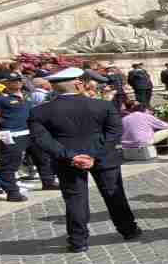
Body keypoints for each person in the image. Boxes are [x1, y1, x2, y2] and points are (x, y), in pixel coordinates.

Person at [29, 68, 141, 252]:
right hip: (102, 156)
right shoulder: (102, 106)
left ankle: (78, 241)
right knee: (114, 194)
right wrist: (94, 155)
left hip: (68, 160)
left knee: (75, 199)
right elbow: (114, 133)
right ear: (78, 83)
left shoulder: (40, 112)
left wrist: (70, 155)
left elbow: (42, 139)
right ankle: (128, 229)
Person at [0, 72, 57, 202]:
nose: (18, 82)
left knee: (43, 158)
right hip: (14, 134)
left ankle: (48, 181)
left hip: (32, 131)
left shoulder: (26, 95)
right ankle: (12, 192)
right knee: (10, 164)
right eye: (13, 80)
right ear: (4, 83)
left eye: (19, 80)